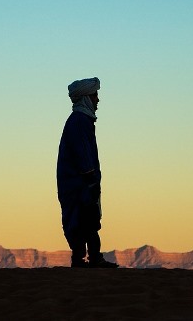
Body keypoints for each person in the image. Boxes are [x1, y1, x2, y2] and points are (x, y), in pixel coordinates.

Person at [56, 76, 119, 268]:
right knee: (85, 219)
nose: (97, 100)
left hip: (79, 182)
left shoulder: (81, 120)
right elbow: (82, 152)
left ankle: (84, 259)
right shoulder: (79, 121)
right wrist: (90, 178)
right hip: (79, 183)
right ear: (86, 98)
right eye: (95, 95)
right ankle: (90, 259)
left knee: (84, 220)